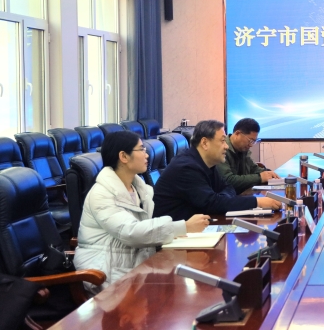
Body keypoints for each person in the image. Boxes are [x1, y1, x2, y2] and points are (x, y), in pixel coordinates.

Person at [74, 131, 210, 292]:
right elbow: (130, 232)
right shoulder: (101, 194)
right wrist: (183, 227)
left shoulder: (138, 189)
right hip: (107, 274)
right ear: (124, 156)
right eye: (141, 149)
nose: (147, 155)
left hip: (135, 265)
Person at [153, 120, 281, 221]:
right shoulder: (186, 167)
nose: (226, 146)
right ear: (205, 143)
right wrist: (257, 202)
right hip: (172, 236)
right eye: (222, 141)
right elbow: (212, 203)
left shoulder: (208, 163)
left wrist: (221, 200)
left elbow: (228, 188)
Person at [218, 118, 281, 194]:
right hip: (227, 197)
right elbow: (228, 180)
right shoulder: (221, 150)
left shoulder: (242, 149)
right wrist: (260, 177)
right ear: (237, 134)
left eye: (254, 141)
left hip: (242, 194)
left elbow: (253, 168)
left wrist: (268, 173)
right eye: (250, 140)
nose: (251, 145)